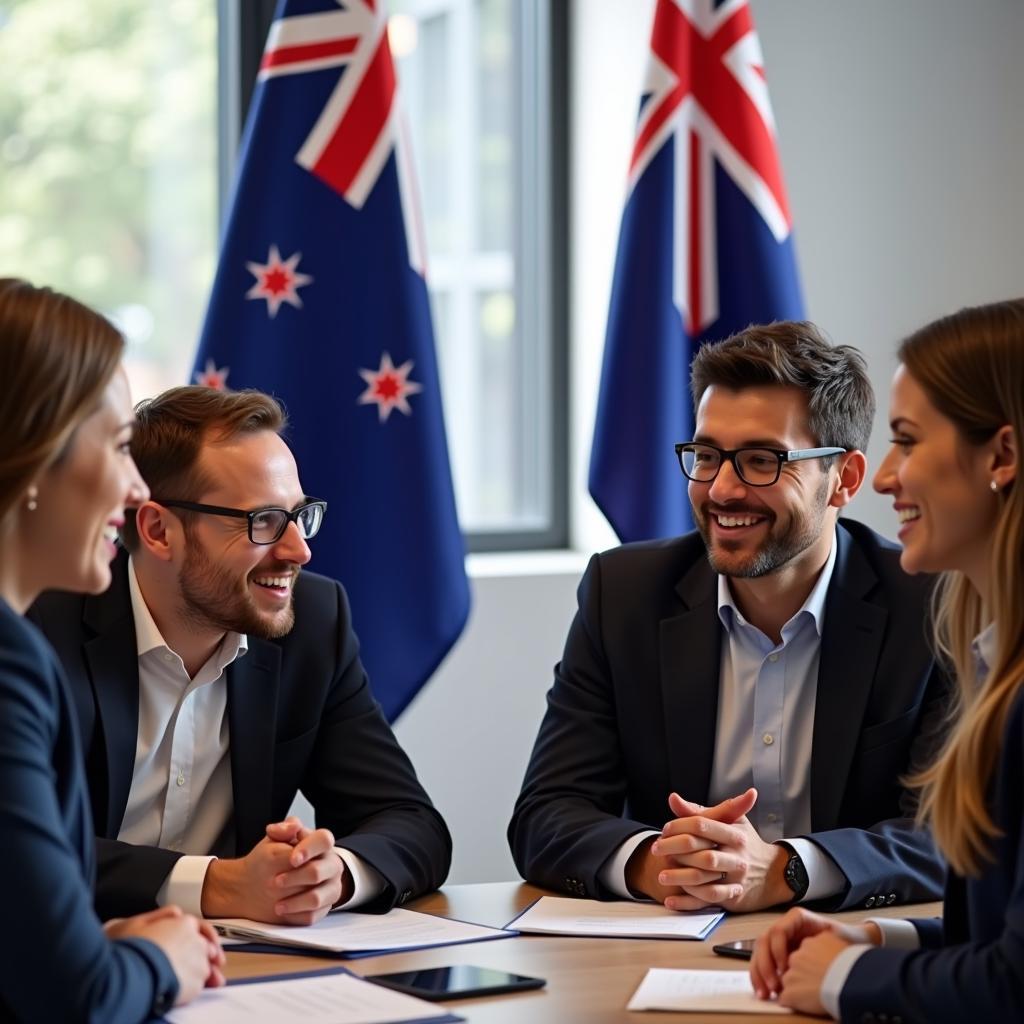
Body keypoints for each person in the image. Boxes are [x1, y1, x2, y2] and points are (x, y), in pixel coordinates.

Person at [509, 322, 948, 915]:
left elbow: (955, 834)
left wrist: (788, 869)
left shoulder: (933, 604)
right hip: (666, 948)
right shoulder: (625, 594)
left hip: (848, 944)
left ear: (842, 479)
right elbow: (546, 813)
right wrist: (654, 861)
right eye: (707, 455)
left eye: (762, 461)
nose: (721, 489)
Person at [29, 384, 452, 925]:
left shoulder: (314, 622)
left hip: (236, 975)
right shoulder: (39, 623)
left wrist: (333, 874)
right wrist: (214, 885)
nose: (299, 549)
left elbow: (410, 821)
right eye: (264, 522)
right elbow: (24, 848)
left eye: (300, 516)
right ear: (159, 530)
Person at [751, 299, 1023, 1020]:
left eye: (906, 441)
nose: (882, 477)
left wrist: (844, 981)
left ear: (1001, 456)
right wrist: (872, 938)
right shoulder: (995, 660)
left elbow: (1016, 987)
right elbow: (1002, 937)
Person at [0, 277, 224, 1019]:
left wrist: (100, 946)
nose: (135, 490)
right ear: (36, 453)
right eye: (120, 446)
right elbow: (76, 997)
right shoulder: (10, 667)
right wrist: (162, 957)